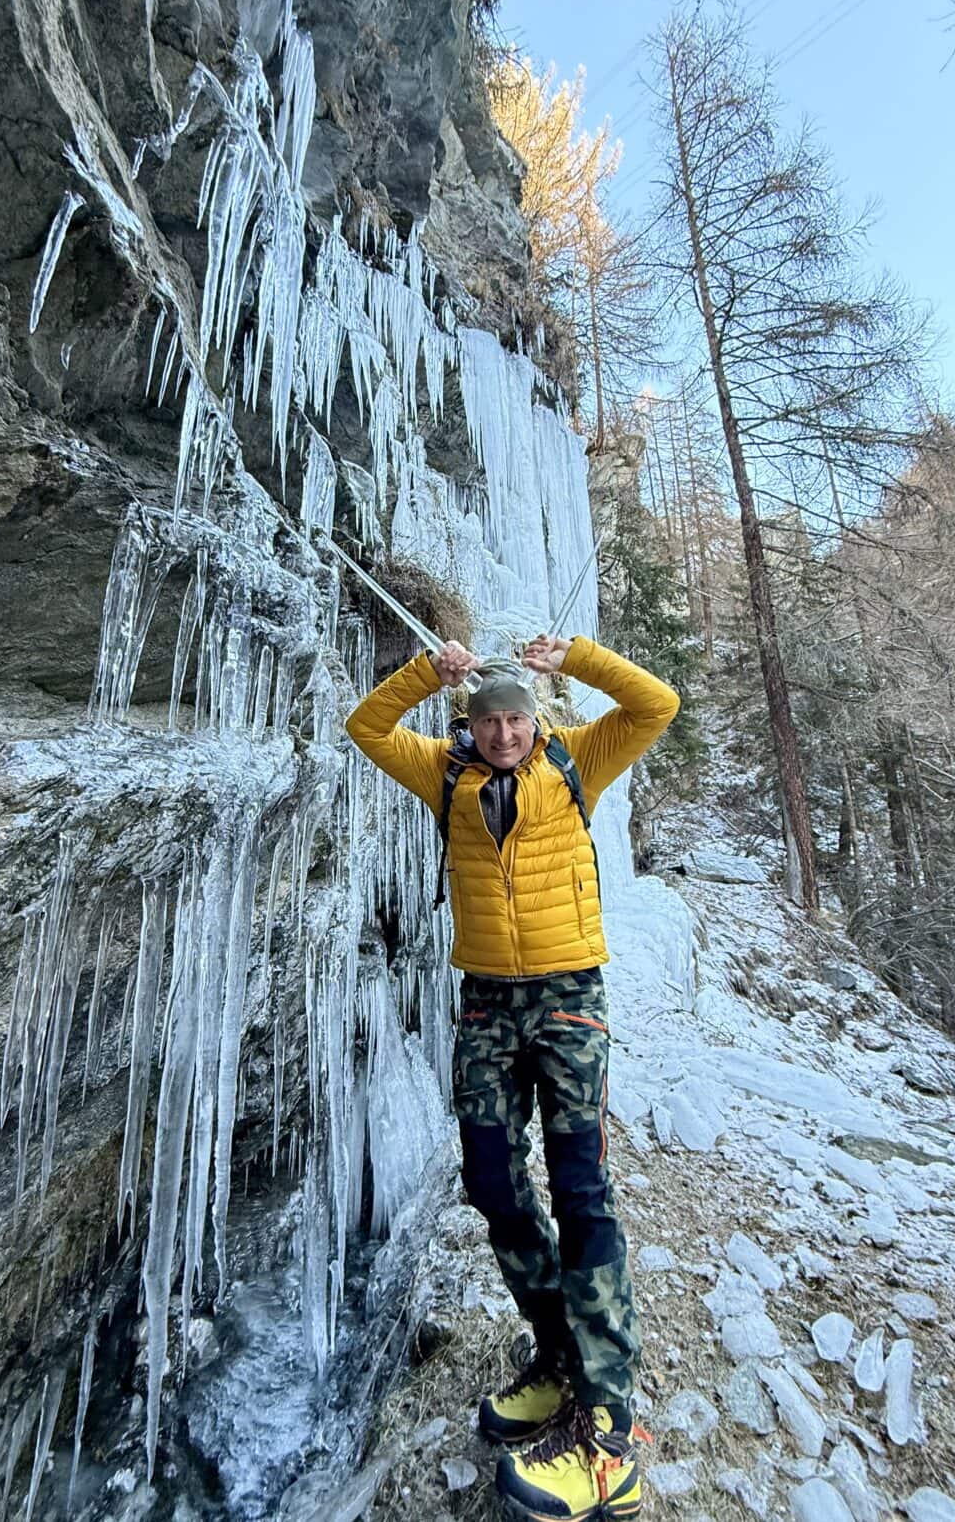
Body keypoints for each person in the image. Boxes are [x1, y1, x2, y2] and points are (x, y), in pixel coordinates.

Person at [346, 631, 679, 1521]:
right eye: (488, 720)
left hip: (570, 998)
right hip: (487, 1002)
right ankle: (560, 1356)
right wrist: (427, 674)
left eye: (515, 719)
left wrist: (574, 659)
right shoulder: (444, 775)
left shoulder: (579, 760)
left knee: (580, 1186)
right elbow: (365, 727)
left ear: (535, 720)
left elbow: (657, 703)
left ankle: (610, 1435)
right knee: (492, 1179)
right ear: (472, 722)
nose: (503, 733)